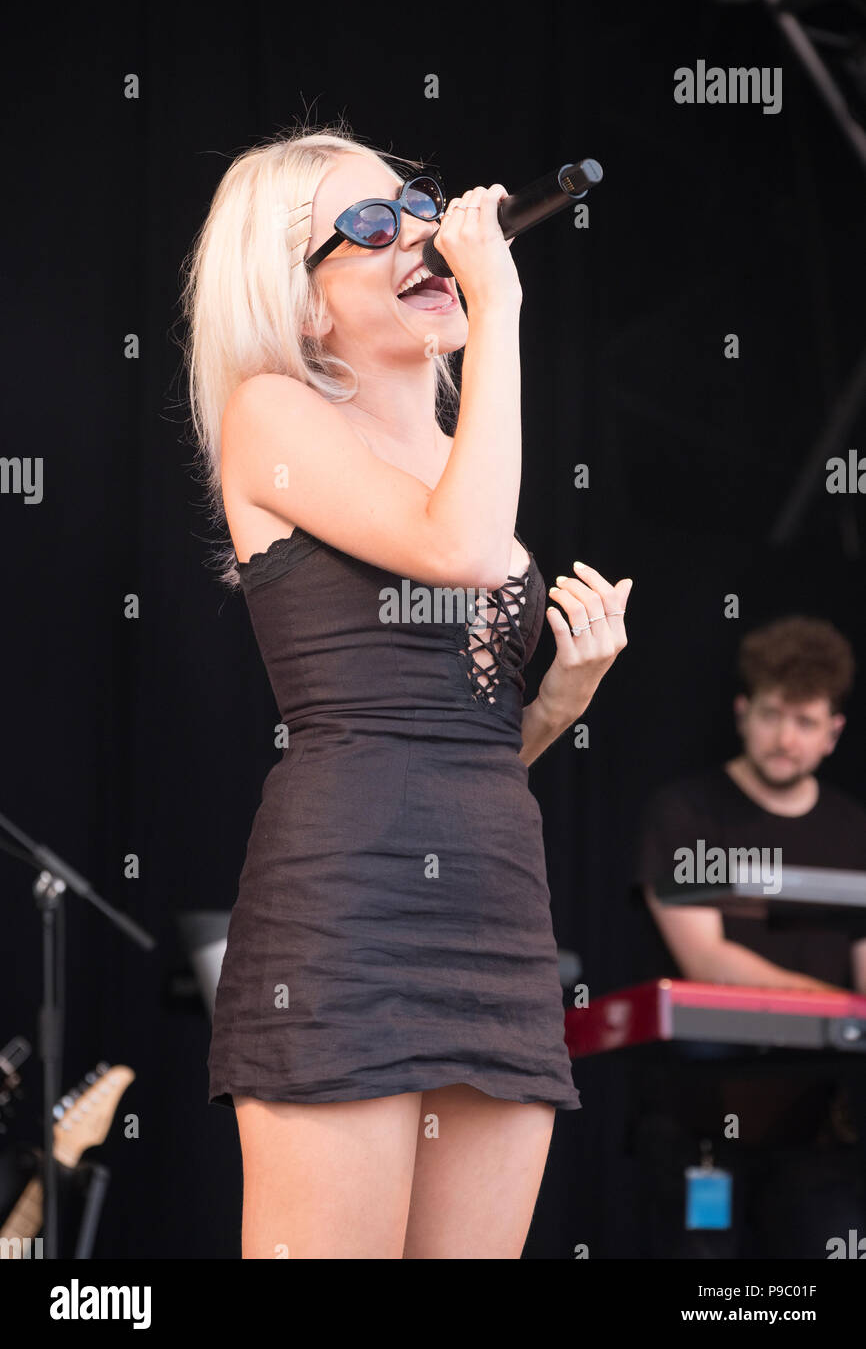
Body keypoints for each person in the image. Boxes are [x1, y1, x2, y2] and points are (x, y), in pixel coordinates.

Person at [180, 121, 632, 1259]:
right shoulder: (274, 415)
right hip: (345, 911)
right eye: (371, 226)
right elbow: (468, 547)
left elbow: (454, 736)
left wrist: (555, 705)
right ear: (302, 302)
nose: (423, 234)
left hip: (492, 907)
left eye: (417, 204)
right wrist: (503, 313)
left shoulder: (454, 448)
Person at [634, 615, 866, 1257]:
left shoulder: (855, 832)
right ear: (742, 711)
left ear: (834, 732)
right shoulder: (683, 812)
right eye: (771, 715)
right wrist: (844, 1009)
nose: (785, 738)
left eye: (806, 722)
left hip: (823, 1124)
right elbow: (707, 960)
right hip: (701, 1114)